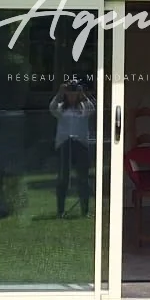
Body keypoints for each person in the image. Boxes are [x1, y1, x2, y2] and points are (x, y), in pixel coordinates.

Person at [49, 77, 96, 217]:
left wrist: (83, 96)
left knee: (83, 178)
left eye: (74, 93)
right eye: (69, 93)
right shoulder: (61, 108)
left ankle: (85, 210)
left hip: (80, 143)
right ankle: (60, 211)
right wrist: (59, 93)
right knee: (63, 177)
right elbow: (51, 108)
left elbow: (91, 109)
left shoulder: (83, 108)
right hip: (65, 143)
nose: (71, 96)